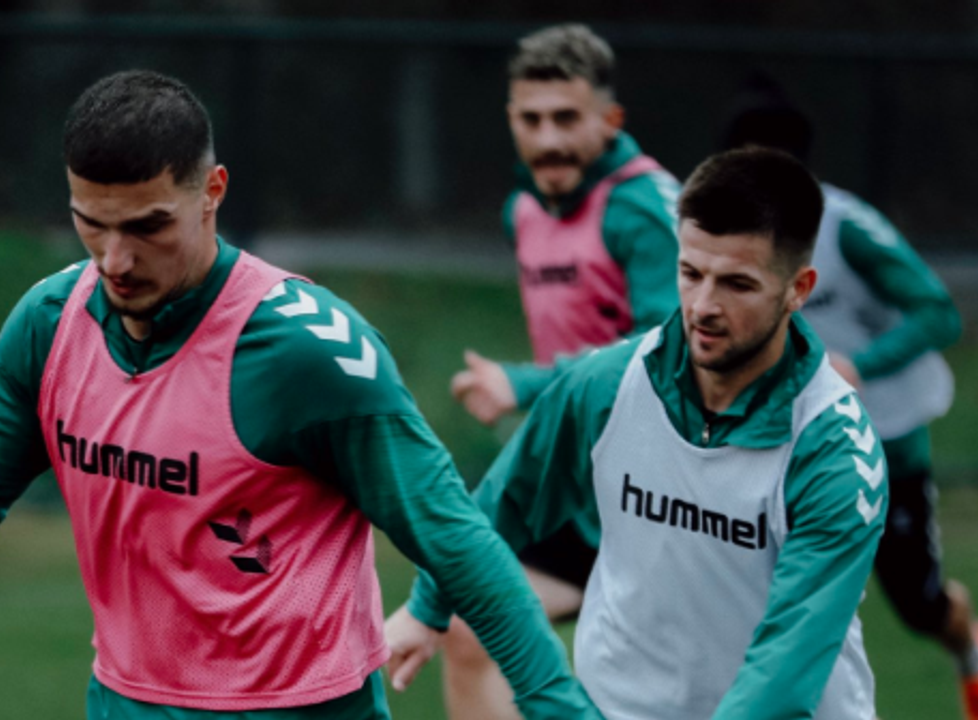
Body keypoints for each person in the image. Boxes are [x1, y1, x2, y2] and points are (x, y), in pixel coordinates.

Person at [0, 70, 602, 719]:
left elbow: (455, 538)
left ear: (212, 190)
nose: (115, 260)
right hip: (124, 703)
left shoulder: (309, 352)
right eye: (92, 223)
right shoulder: (49, 321)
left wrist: (556, 705)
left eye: (148, 226)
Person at [386, 147, 888, 719]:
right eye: (691, 274)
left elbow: (787, 666)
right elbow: (507, 503)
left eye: (737, 284)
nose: (704, 306)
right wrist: (427, 609)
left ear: (799, 288)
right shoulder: (607, 384)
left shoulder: (832, 449)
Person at [441, 23, 680, 719]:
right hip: (580, 484)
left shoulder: (641, 207)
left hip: (665, 492)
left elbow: (668, 351)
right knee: (468, 628)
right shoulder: (524, 209)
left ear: (611, 120)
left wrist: (523, 385)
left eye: (567, 118)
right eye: (531, 119)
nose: (548, 139)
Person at [723, 77, 978, 718]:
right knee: (761, 594)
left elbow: (939, 314)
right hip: (795, 441)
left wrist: (857, 366)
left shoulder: (845, 228)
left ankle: (968, 647)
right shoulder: (730, 238)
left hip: (886, 438)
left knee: (920, 607)